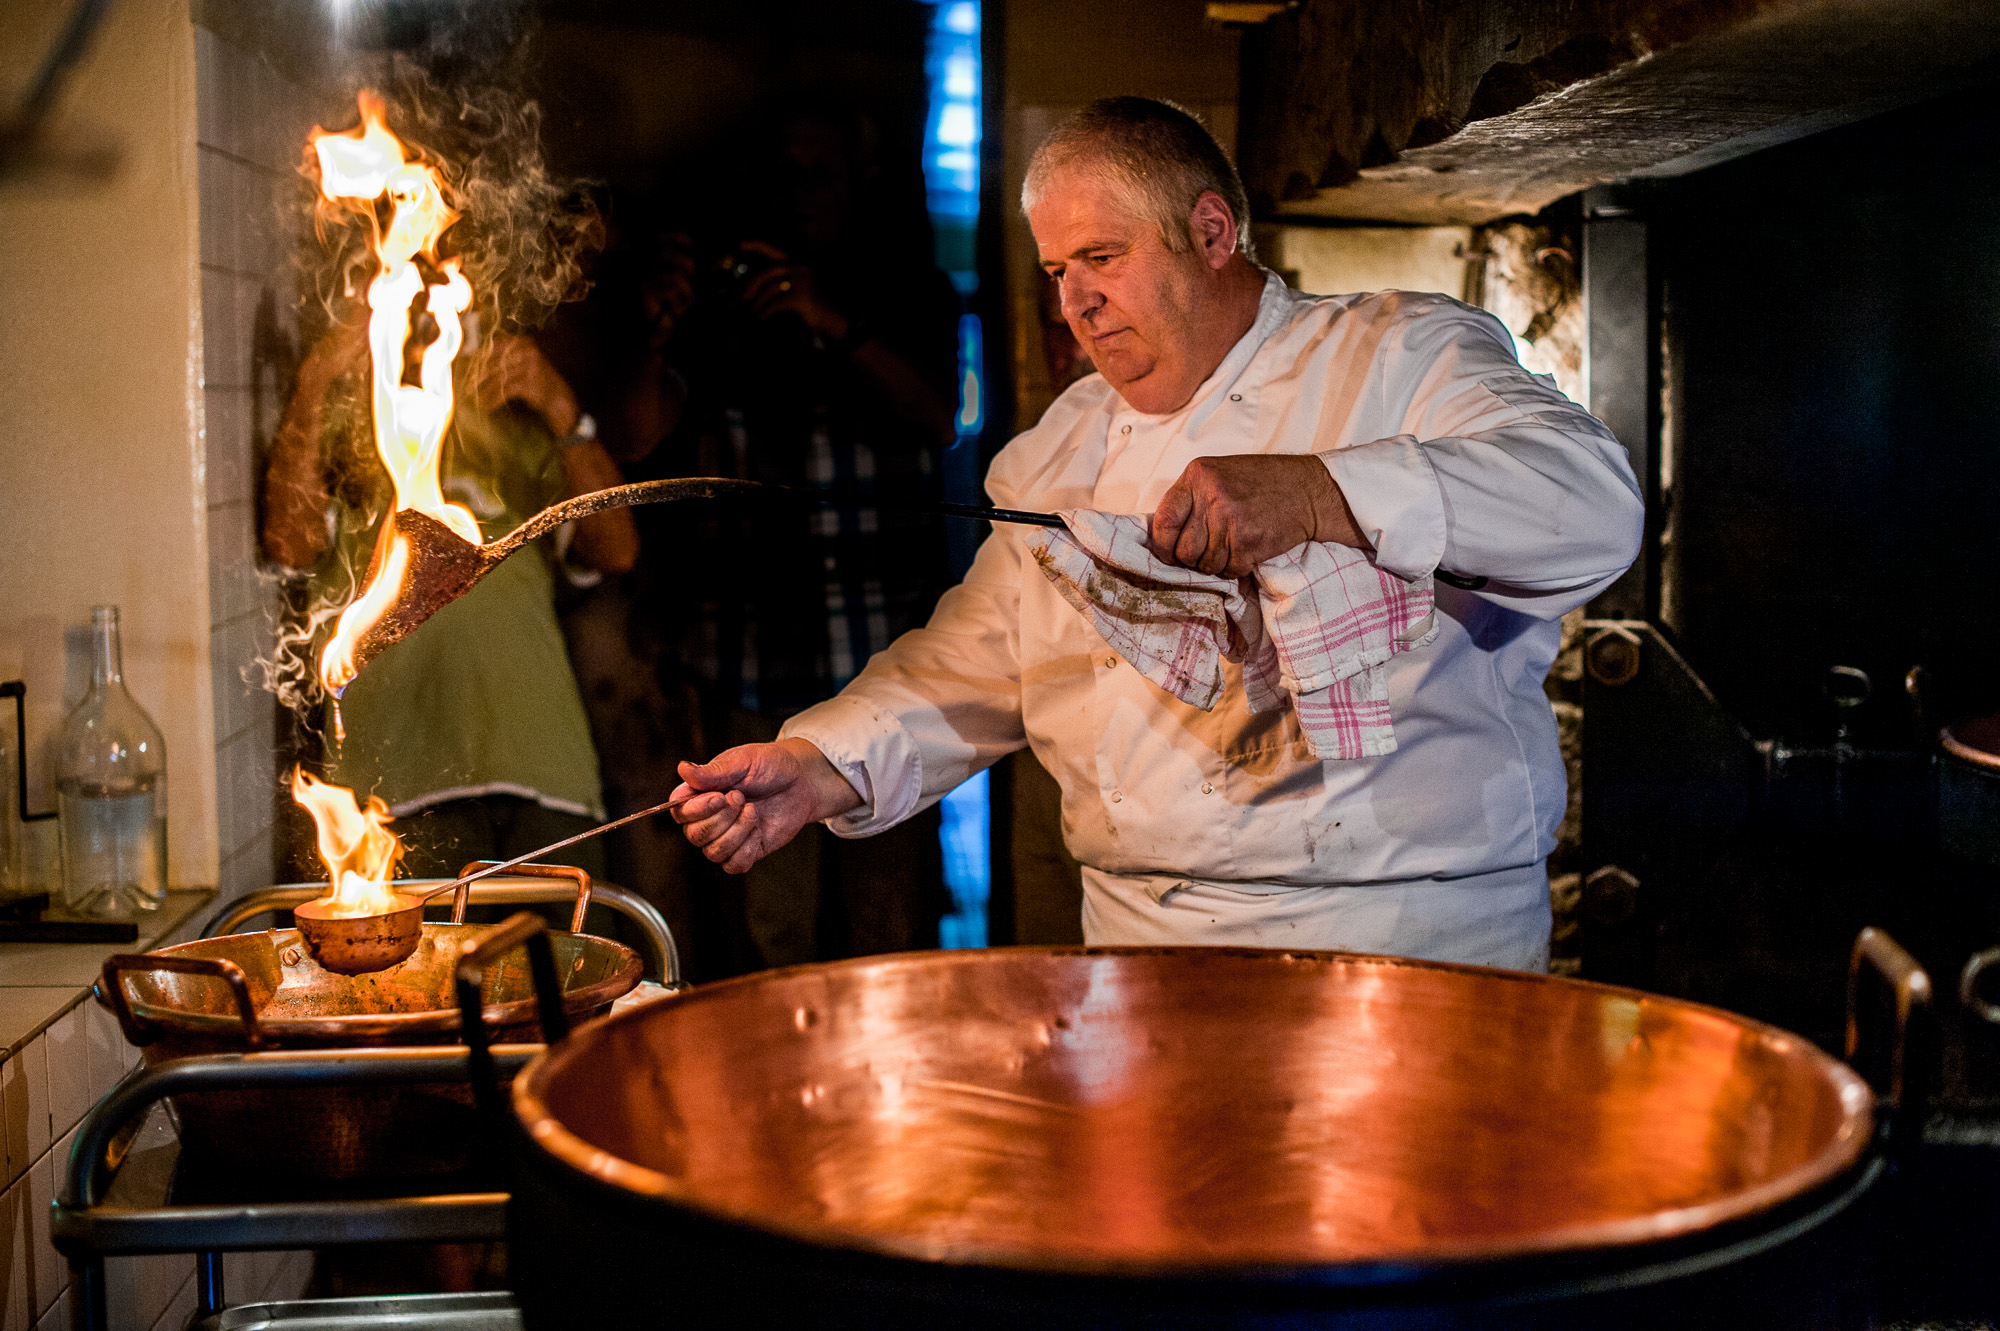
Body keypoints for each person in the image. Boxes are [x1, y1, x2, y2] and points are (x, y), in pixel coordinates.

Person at [669, 97, 1643, 970]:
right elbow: (976, 661)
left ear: (1210, 231)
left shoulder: (1399, 354)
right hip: (1145, 948)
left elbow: (1594, 503)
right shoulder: (1060, 448)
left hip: (1405, 940)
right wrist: (815, 764)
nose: (1072, 300)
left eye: (1100, 256)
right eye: (1056, 269)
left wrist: (1321, 492)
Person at [639, 105, 963, 973]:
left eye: (815, 173)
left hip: (886, 660)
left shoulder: (905, 288)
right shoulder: (724, 303)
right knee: (770, 927)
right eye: (782, 177)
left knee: (887, 924)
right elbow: (636, 440)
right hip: (752, 664)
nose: (797, 195)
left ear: (859, 178)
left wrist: (829, 320)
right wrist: (659, 326)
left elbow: (941, 418)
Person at [265, 317, 638, 880]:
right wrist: (317, 380)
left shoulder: (514, 444)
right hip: (393, 798)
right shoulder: (351, 455)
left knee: (570, 967)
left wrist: (558, 404)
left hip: (544, 777)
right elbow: (290, 545)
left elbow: (618, 550)